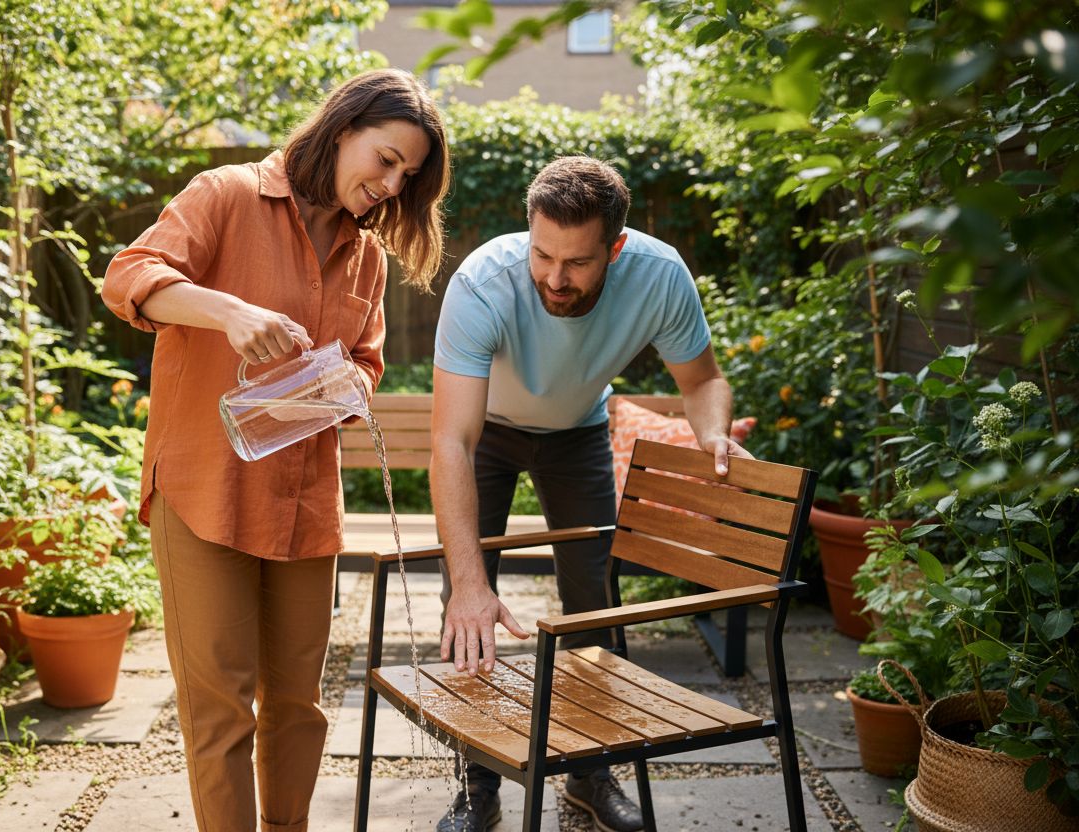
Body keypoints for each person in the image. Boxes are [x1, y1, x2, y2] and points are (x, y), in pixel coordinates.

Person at [101, 68, 449, 832]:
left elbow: (365, 360)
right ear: (343, 127)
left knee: (299, 704)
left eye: (408, 175)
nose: (392, 185)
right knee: (221, 706)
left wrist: (348, 385)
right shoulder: (225, 193)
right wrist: (226, 312)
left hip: (302, 504)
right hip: (204, 491)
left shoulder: (366, 256)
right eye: (386, 159)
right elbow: (129, 277)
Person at [430, 156, 751, 832]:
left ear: (616, 248)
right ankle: (475, 787)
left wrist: (713, 434)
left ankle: (589, 777)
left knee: (594, 606)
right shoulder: (484, 282)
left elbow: (703, 382)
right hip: (485, 435)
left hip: (578, 432)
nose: (554, 277)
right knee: (466, 604)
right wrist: (467, 579)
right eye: (542, 255)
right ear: (529, 232)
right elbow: (451, 440)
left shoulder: (659, 277)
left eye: (576, 262)